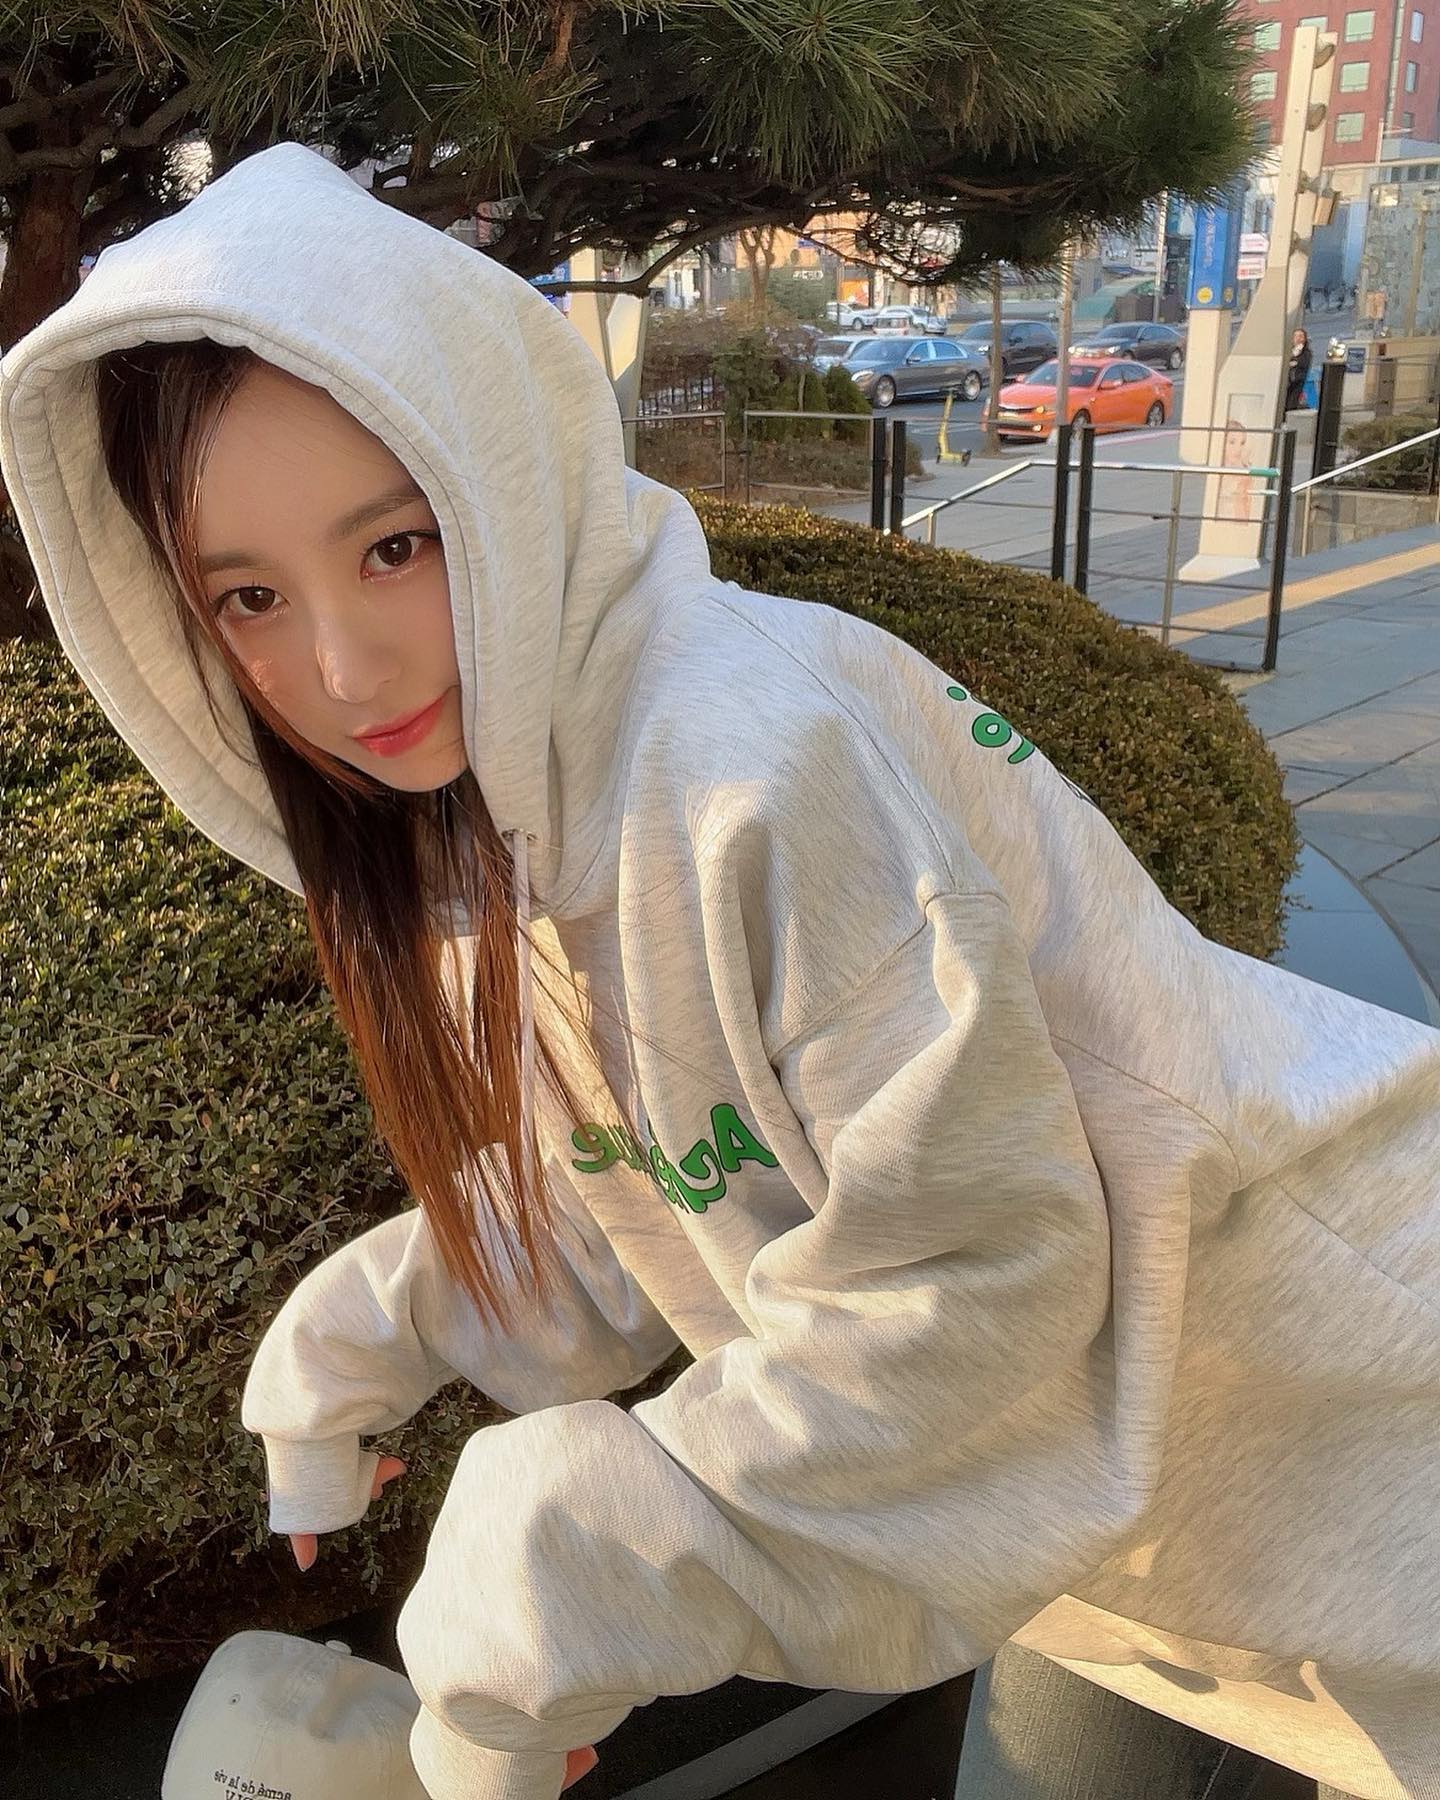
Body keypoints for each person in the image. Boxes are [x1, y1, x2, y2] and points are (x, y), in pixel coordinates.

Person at [3, 143, 1438, 1800]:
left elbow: (976, 1281)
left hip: (1353, 1437)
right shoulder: (513, 827)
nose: (339, 666)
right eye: (249, 597)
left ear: (502, 474)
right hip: (1117, 1528)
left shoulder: (745, 763)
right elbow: (681, 1174)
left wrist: (575, 1551)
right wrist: (377, 1332)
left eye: (396, 545)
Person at [1287, 327, 1313, 412]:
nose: (1298, 338)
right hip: (1288, 381)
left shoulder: (1306, 352)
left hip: (1297, 381)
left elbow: (1303, 363)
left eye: (1300, 336)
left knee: (1292, 402)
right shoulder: (1289, 351)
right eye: (1296, 336)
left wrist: (1295, 362)